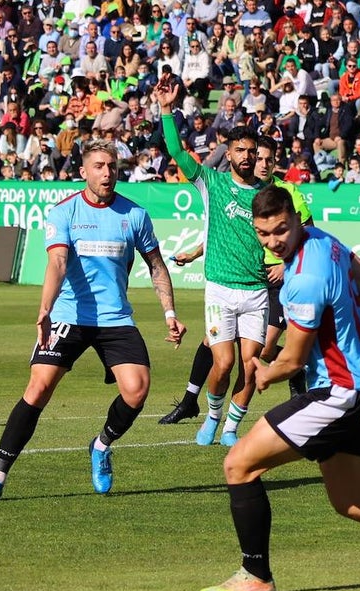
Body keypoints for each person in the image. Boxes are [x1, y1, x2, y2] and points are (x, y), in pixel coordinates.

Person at [198, 185, 360, 591]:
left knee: (238, 465)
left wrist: (265, 374)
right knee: (353, 501)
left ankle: (256, 576)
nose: (273, 241)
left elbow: (293, 360)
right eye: (264, 233)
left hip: (337, 393)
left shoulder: (304, 278)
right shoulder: (326, 241)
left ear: (294, 219)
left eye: (281, 231)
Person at [0, 139, 187, 500]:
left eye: (112, 166)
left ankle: (101, 445)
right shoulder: (64, 212)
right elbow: (57, 263)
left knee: (137, 390)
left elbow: (157, 267)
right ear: (83, 172)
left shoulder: (135, 215)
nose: (107, 173)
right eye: (99, 166)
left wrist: (170, 314)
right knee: (38, 388)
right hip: (70, 314)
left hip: (115, 318)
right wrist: (45, 309)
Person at [159, 136, 314, 425]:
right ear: (229, 154)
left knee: (257, 354)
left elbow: (304, 233)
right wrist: (194, 253)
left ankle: (293, 369)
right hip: (229, 282)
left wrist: (284, 263)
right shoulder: (225, 187)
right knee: (218, 350)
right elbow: (228, 230)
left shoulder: (284, 193)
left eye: (265, 157)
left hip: (270, 284)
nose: (260, 162)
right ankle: (195, 403)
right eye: (256, 155)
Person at [157, 82, 268, 448]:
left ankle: (233, 428)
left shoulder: (268, 195)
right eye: (240, 150)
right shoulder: (211, 182)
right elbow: (175, 149)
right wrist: (166, 111)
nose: (247, 156)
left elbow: (283, 236)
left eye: (252, 151)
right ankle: (213, 417)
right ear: (229, 153)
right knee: (222, 364)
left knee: (250, 367)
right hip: (220, 289)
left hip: (256, 291)